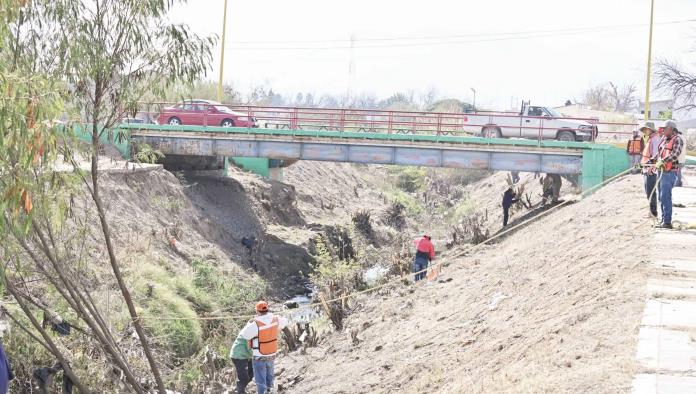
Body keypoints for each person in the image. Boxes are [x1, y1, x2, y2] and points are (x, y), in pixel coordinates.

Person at [239, 301, 288, 394]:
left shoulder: (255, 324)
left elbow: (244, 335)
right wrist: (276, 316)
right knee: (270, 376)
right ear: (267, 309)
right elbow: (285, 321)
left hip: (259, 355)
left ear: (257, 311)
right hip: (272, 353)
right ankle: (271, 392)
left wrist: (249, 323)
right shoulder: (276, 319)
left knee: (260, 381)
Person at [655, 120, 684, 229]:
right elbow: (658, 155)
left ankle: (667, 222)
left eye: (664, 128)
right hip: (661, 171)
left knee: (665, 196)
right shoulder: (664, 140)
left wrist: (663, 161)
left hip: (669, 172)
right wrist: (650, 162)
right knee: (661, 197)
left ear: (670, 129)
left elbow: (675, 154)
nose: (662, 130)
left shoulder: (677, 139)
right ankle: (663, 220)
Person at [640, 121, 660, 219]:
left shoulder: (655, 139)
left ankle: (653, 213)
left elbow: (656, 155)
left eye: (646, 129)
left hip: (650, 170)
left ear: (651, 129)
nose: (644, 131)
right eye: (644, 129)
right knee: (648, 192)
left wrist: (651, 168)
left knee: (651, 192)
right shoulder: (650, 139)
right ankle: (651, 212)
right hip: (646, 169)